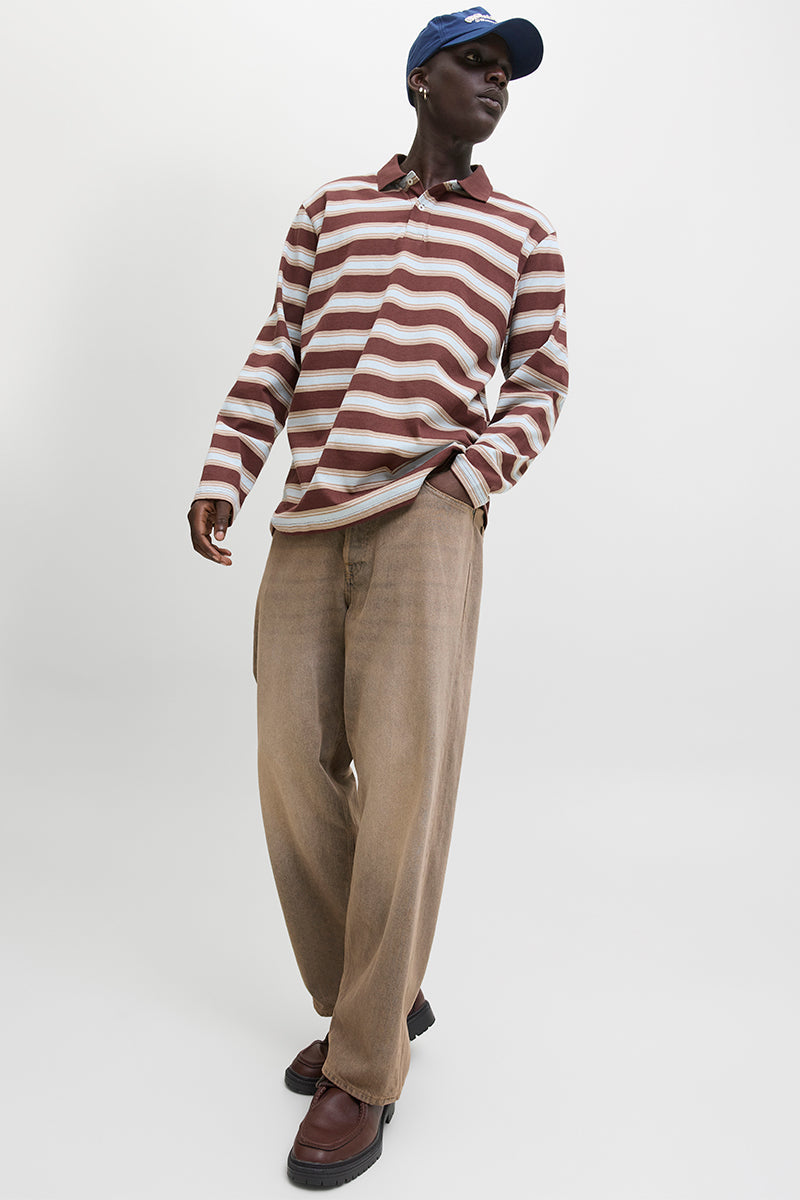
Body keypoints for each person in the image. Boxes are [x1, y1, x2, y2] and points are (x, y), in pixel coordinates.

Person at [188, 6, 568, 1187]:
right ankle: (377, 994)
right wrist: (224, 472)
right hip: (308, 518)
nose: (493, 83)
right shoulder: (331, 210)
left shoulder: (522, 233)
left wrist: (468, 478)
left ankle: (363, 1066)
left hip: (424, 520)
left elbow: (541, 377)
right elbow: (278, 348)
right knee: (289, 767)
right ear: (418, 81)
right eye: (473, 63)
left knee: (404, 789)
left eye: (504, 72)